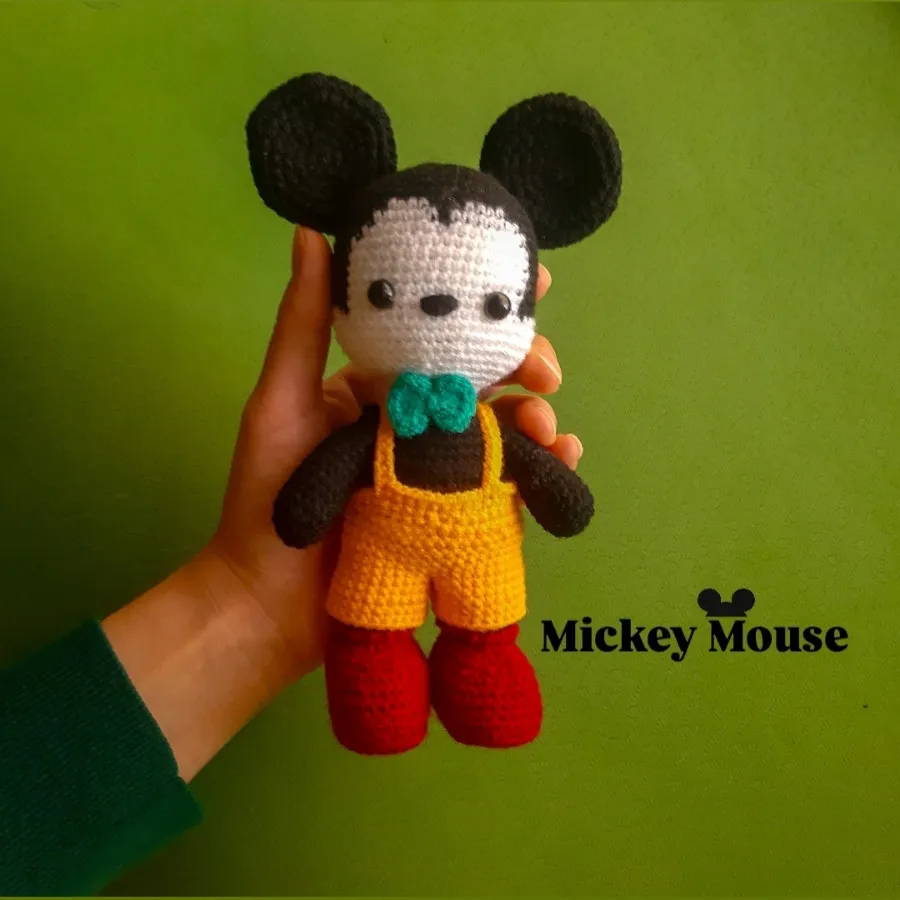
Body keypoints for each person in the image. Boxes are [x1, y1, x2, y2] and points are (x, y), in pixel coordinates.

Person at [0, 228, 583, 896]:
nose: (442, 311)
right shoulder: (372, 432)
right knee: (372, 635)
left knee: (485, 629)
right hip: (379, 556)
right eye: (386, 293)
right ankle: (384, 678)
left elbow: (547, 481)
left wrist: (246, 594)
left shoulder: (490, 437)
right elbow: (316, 491)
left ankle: (483, 661)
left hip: (478, 556)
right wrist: (255, 581)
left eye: (490, 306)